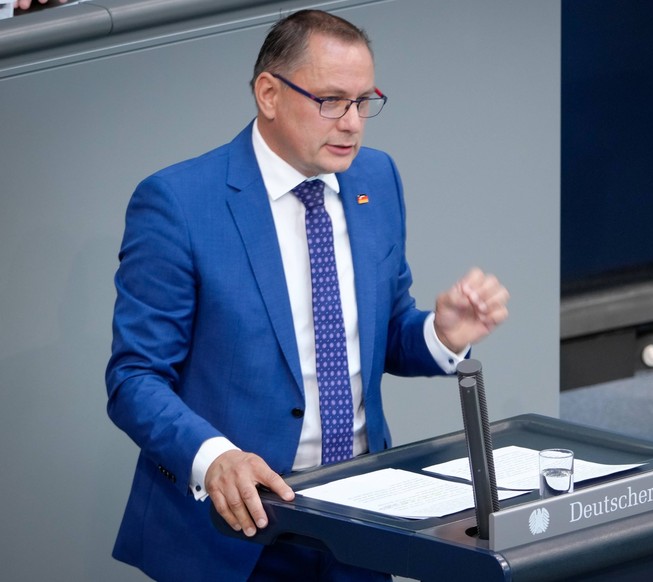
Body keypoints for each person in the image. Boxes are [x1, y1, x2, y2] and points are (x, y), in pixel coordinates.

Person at [105, 9, 509, 582]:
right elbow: (134, 379)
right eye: (331, 100)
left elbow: (385, 334)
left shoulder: (376, 179)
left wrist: (440, 335)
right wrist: (215, 457)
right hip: (237, 531)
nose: (352, 123)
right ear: (269, 93)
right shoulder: (179, 203)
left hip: (361, 522)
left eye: (364, 101)